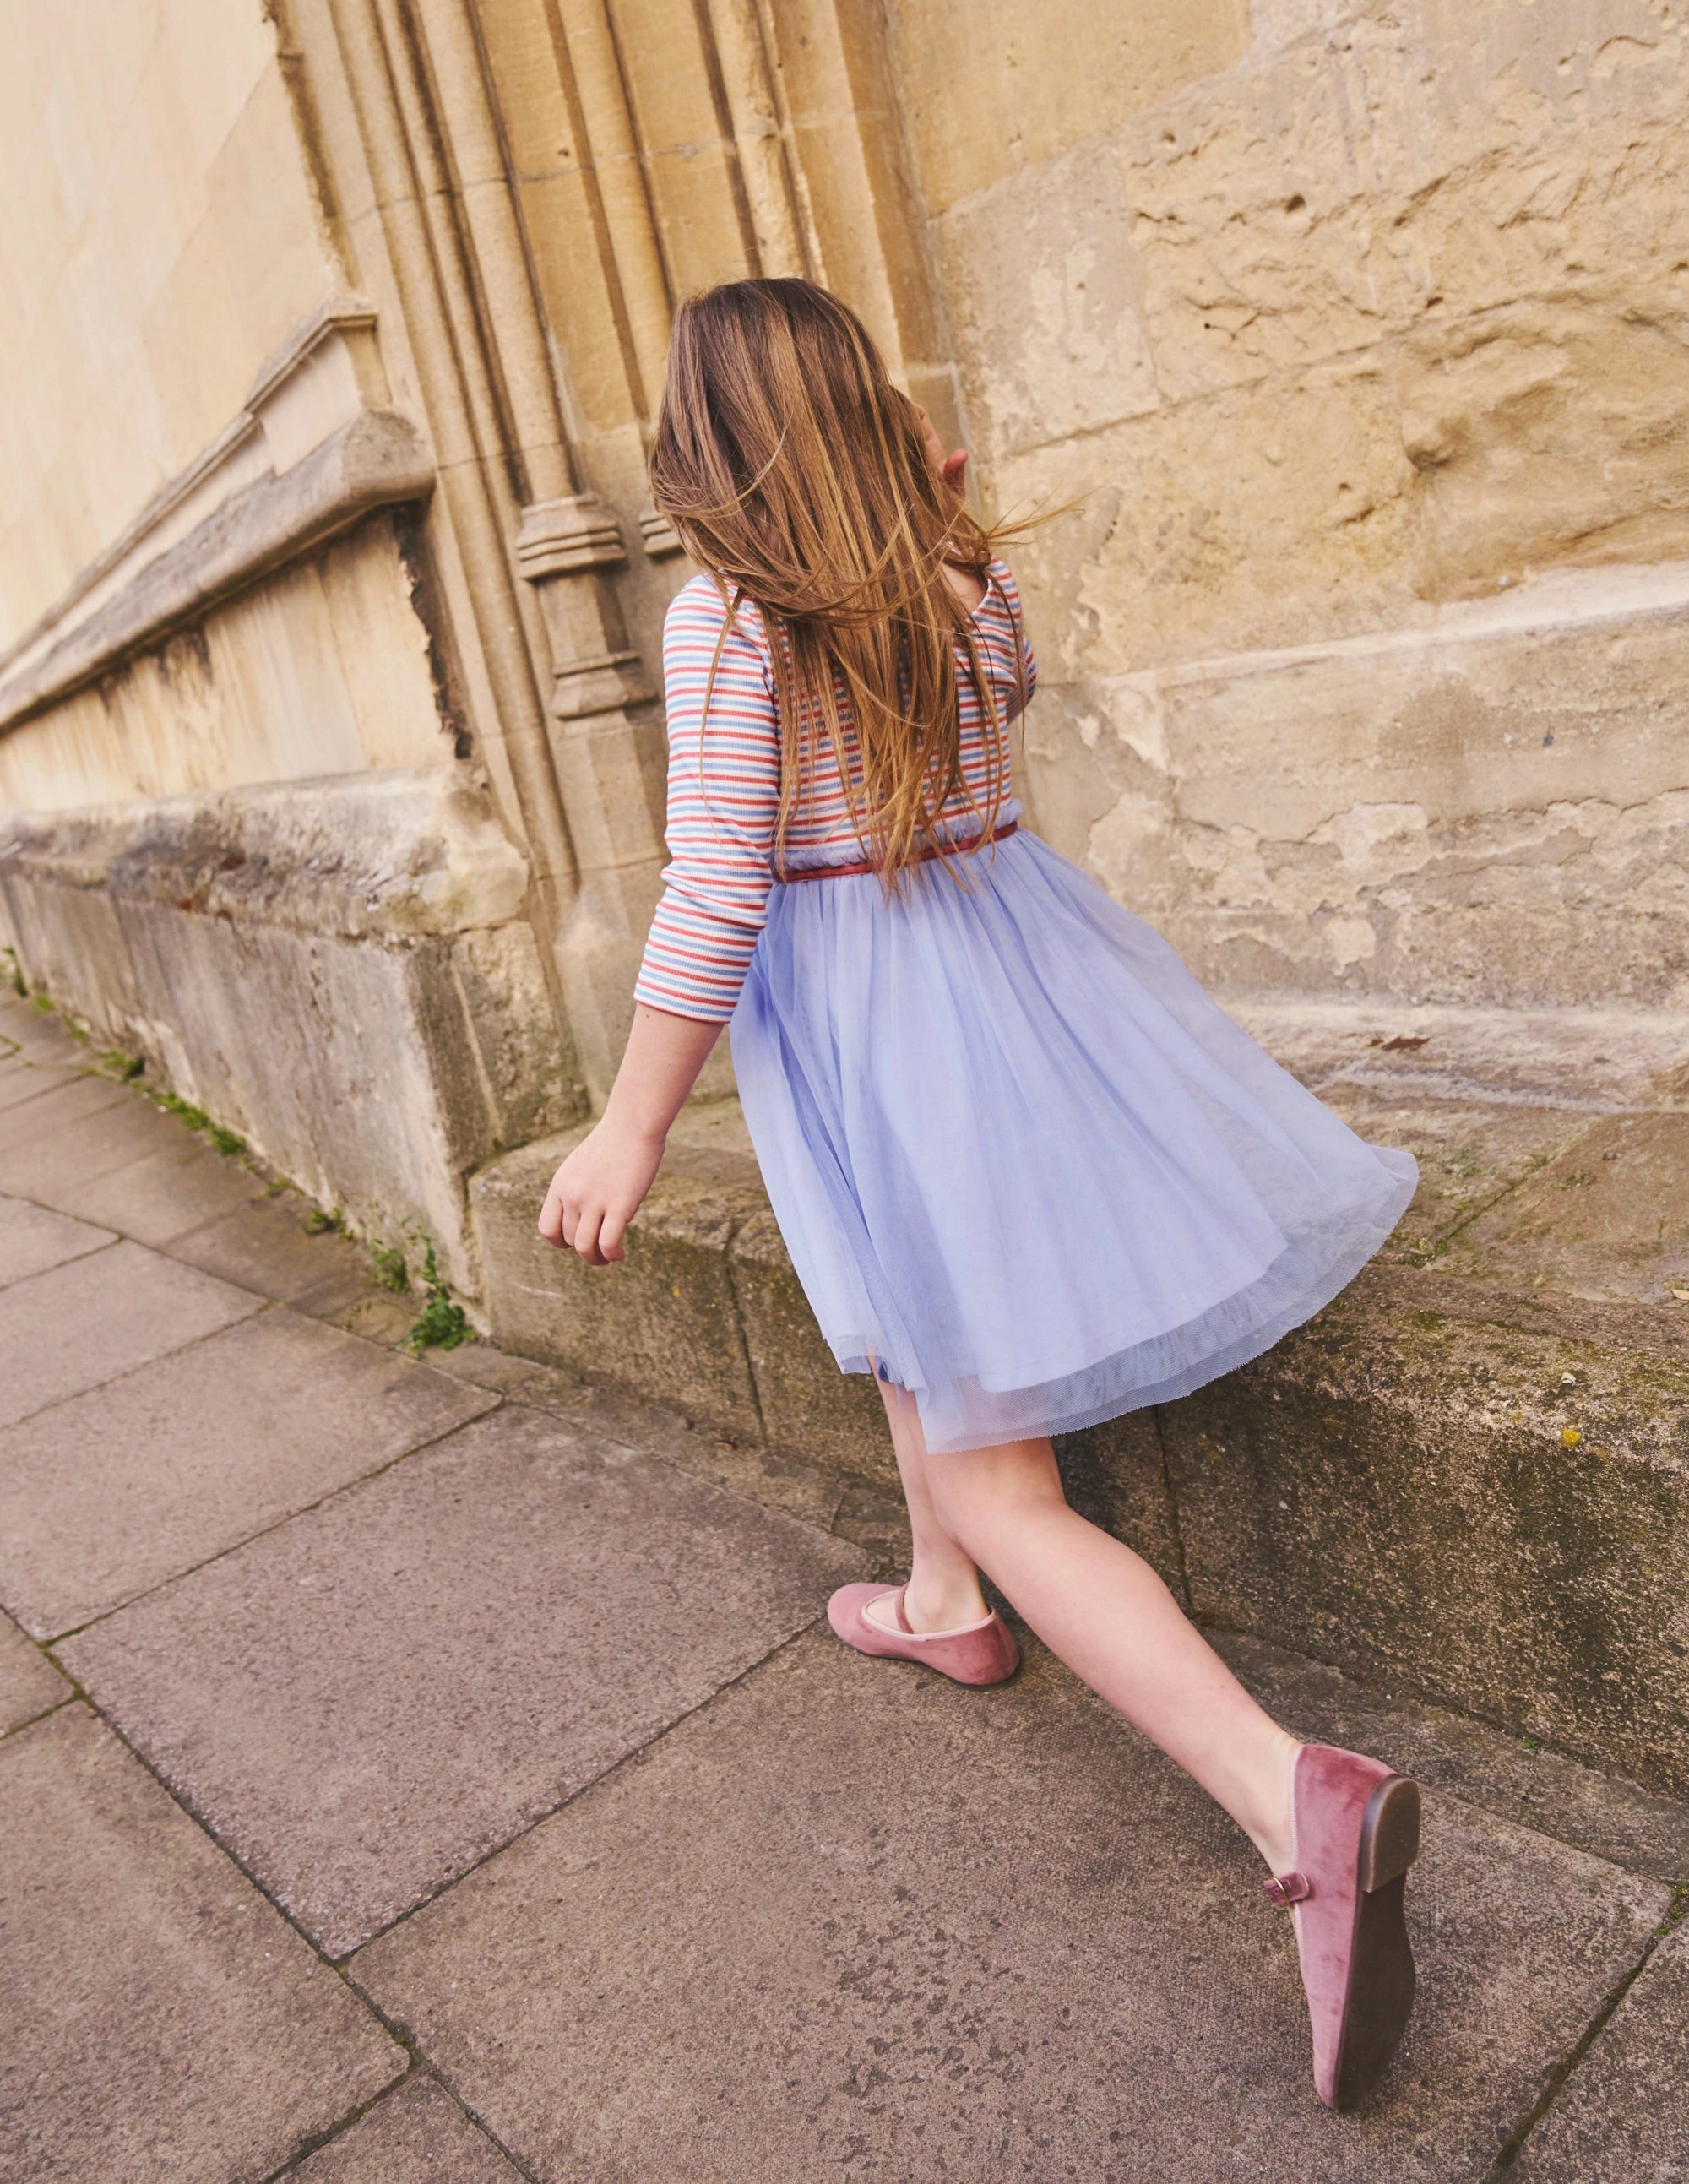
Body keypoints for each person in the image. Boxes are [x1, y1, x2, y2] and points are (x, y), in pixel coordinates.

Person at [538, 277, 1423, 2111]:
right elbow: (1007, 696)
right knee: (909, 1305)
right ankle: (941, 1595)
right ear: (860, 411)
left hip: (883, 1020)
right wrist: (949, 541)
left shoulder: (725, 618)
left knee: (1001, 1466)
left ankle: (1292, 1798)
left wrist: (629, 1125)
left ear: (701, 445)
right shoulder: (947, 580)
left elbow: (715, 893)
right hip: (1017, 978)